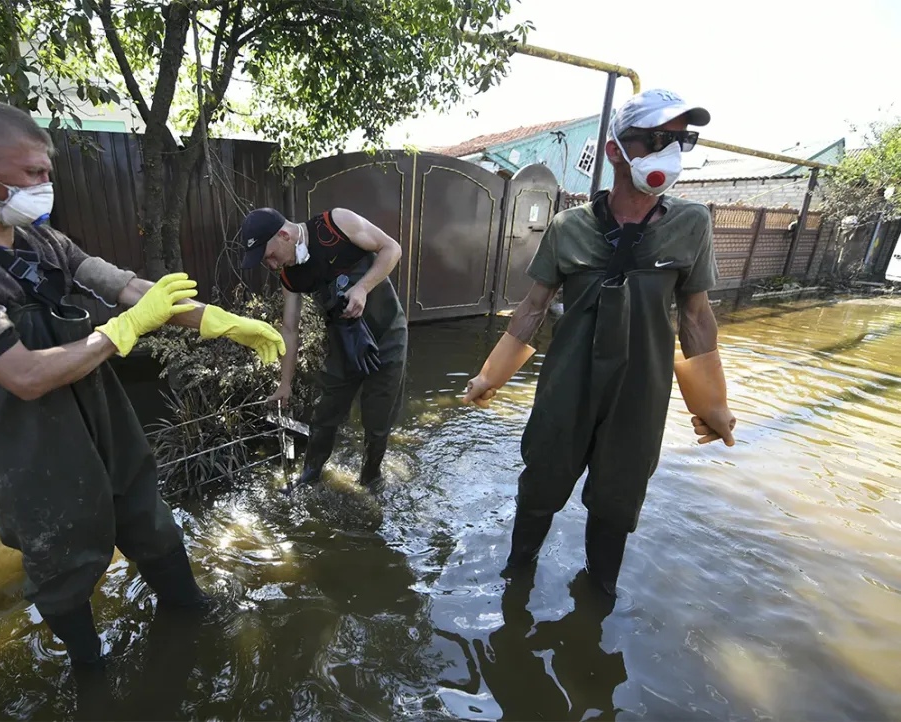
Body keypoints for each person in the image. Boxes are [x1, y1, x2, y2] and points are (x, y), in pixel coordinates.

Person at [0, 97, 286, 665]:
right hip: (30, 443)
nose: (46, 185)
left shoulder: (44, 243)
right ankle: (87, 669)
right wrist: (119, 334)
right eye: (32, 172)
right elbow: (22, 375)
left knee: (149, 517)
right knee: (60, 555)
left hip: (101, 413)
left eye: (48, 172)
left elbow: (127, 288)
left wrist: (221, 322)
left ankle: (189, 611)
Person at [463, 89, 738, 595]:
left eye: (682, 140)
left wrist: (712, 403)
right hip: (567, 385)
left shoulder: (691, 224)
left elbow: (696, 318)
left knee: (617, 500)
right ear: (615, 150)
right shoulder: (570, 228)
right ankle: (517, 574)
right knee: (541, 484)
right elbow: (533, 308)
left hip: (639, 394)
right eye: (656, 139)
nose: (670, 152)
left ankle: (599, 592)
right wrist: (491, 375)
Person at [238, 207, 407, 489]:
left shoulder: (336, 224)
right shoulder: (291, 277)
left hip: (386, 335)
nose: (270, 264)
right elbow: (290, 329)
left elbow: (392, 248)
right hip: (343, 343)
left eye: (269, 255)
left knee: (378, 418)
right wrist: (285, 384)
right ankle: (310, 475)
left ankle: (370, 478)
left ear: (283, 235)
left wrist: (363, 287)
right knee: (325, 414)